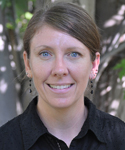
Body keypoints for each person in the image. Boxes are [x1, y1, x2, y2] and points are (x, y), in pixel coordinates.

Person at [0, 1, 125, 150]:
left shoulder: (120, 139)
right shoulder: (4, 142)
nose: (59, 70)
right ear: (28, 64)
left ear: (93, 65)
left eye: (73, 54)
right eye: (45, 53)